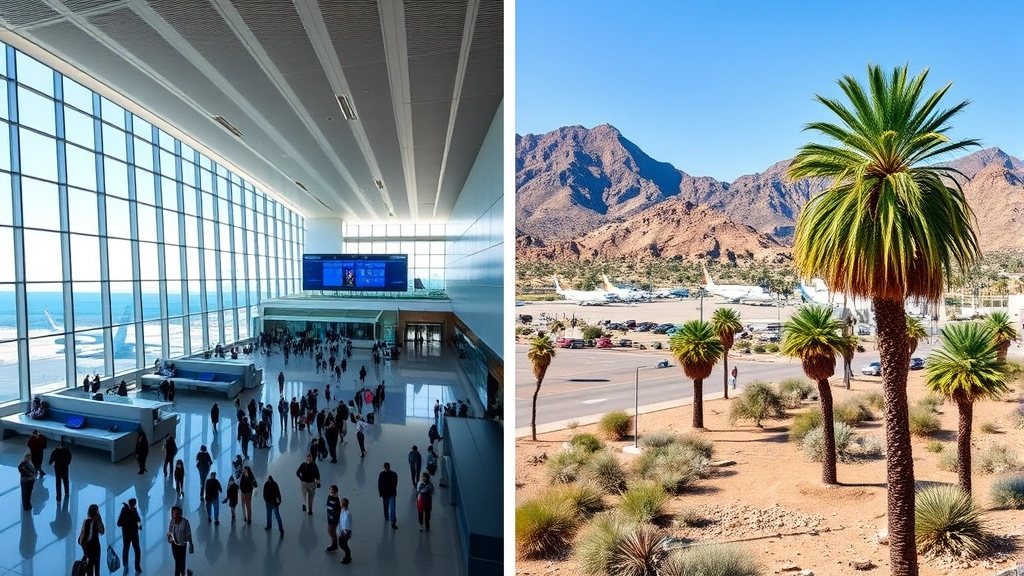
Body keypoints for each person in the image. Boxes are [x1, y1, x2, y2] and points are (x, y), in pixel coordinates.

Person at [166, 506, 194, 576]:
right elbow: (170, 531)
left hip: (182, 545)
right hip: (174, 544)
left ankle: (180, 572)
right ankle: (182, 571)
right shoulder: (172, 521)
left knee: (179, 561)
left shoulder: (185, 522)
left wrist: (191, 544)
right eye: (174, 513)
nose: (175, 515)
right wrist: (169, 537)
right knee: (177, 560)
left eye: (177, 513)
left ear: (180, 513)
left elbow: (188, 534)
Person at [117, 498, 143, 573]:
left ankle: (136, 566)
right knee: (127, 549)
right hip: (128, 534)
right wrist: (131, 523)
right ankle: (126, 565)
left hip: (133, 533)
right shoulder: (125, 511)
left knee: (135, 549)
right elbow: (119, 523)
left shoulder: (134, 511)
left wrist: (137, 525)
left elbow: (138, 519)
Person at [78, 503, 105, 576]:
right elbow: (82, 536)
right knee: (89, 565)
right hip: (89, 546)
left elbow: (102, 531)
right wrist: (84, 546)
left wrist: (99, 521)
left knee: (96, 565)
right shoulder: (87, 521)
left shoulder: (97, 521)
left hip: (95, 546)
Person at [378, 462, 398, 529]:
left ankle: (386, 516)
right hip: (392, 493)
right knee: (392, 508)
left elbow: (379, 484)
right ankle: (393, 522)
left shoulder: (381, 474)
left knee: (385, 506)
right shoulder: (394, 474)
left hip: (384, 493)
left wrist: (380, 492)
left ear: (384, 467)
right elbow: (395, 484)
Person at [324, 484, 341, 552]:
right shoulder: (330, 497)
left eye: (332, 490)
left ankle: (334, 544)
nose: (330, 491)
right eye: (330, 489)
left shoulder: (336, 500)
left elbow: (337, 510)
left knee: (331, 531)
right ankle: (334, 544)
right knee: (331, 531)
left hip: (333, 518)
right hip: (330, 516)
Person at [338, 497, 352, 565]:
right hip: (343, 531)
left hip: (345, 532)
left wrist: (346, 531)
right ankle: (347, 556)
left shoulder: (347, 514)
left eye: (341, 502)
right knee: (344, 543)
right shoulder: (343, 511)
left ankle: (348, 555)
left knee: (342, 543)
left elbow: (347, 523)